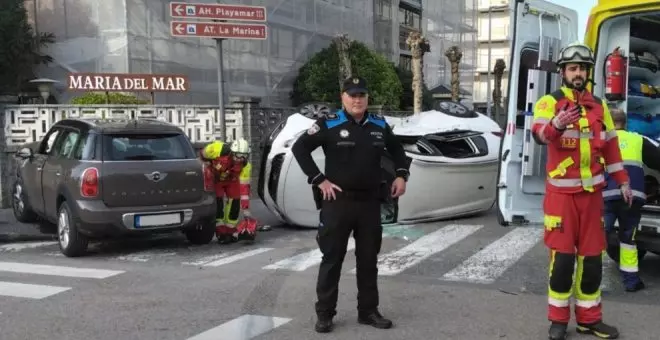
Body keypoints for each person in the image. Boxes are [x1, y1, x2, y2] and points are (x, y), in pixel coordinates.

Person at [291, 76, 410, 333]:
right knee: (332, 259)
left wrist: (401, 175)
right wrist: (319, 180)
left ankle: (368, 311)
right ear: (343, 97)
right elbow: (300, 149)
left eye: (361, 95)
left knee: (368, 260)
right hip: (338, 203)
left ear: (367, 98)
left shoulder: (379, 125)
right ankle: (325, 313)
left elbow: (398, 151)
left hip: (369, 203)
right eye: (352, 95)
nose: (357, 100)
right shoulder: (330, 124)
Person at [531, 42, 632, 340]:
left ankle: (589, 320)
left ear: (588, 73)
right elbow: (539, 134)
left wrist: (624, 180)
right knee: (562, 262)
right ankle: (558, 321)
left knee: (591, 262)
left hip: (591, 199)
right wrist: (556, 125)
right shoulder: (549, 102)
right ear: (563, 71)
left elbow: (611, 147)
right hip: (561, 199)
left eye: (583, 69)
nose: (578, 74)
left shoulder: (600, 107)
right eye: (573, 68)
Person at [603, 108, 660, 292]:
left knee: (597, 239)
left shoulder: (601, 140)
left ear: (608, 123)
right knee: (628, 239)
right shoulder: (638, 139)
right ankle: (631, 281)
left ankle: (590, 282)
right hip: (632, 198)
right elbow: (657, 160)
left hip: (606, 197)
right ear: (625, 123)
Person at [201, 138, 254, 244]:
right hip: (215, 179)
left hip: (231, 181)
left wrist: (246, 209)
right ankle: (220, 231)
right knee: (218, 203)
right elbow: (203, 153)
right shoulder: (218, 149)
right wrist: (206, 163)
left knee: (235, 203)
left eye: (244, 156)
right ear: (233, 152)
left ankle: (230, 230)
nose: (241, 159)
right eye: (238, 155)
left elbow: (244, 190)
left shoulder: (245, 166)